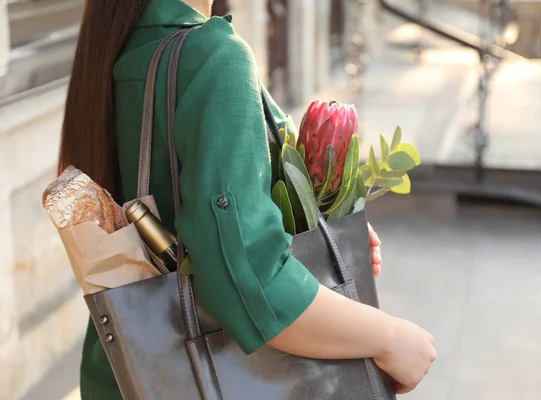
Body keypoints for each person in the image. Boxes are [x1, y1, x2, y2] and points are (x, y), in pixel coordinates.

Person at [57, 0, 436, 398]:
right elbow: (251, 283)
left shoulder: (121, 48)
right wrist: (391, 338)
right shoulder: (212, 56)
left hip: (127, 374)